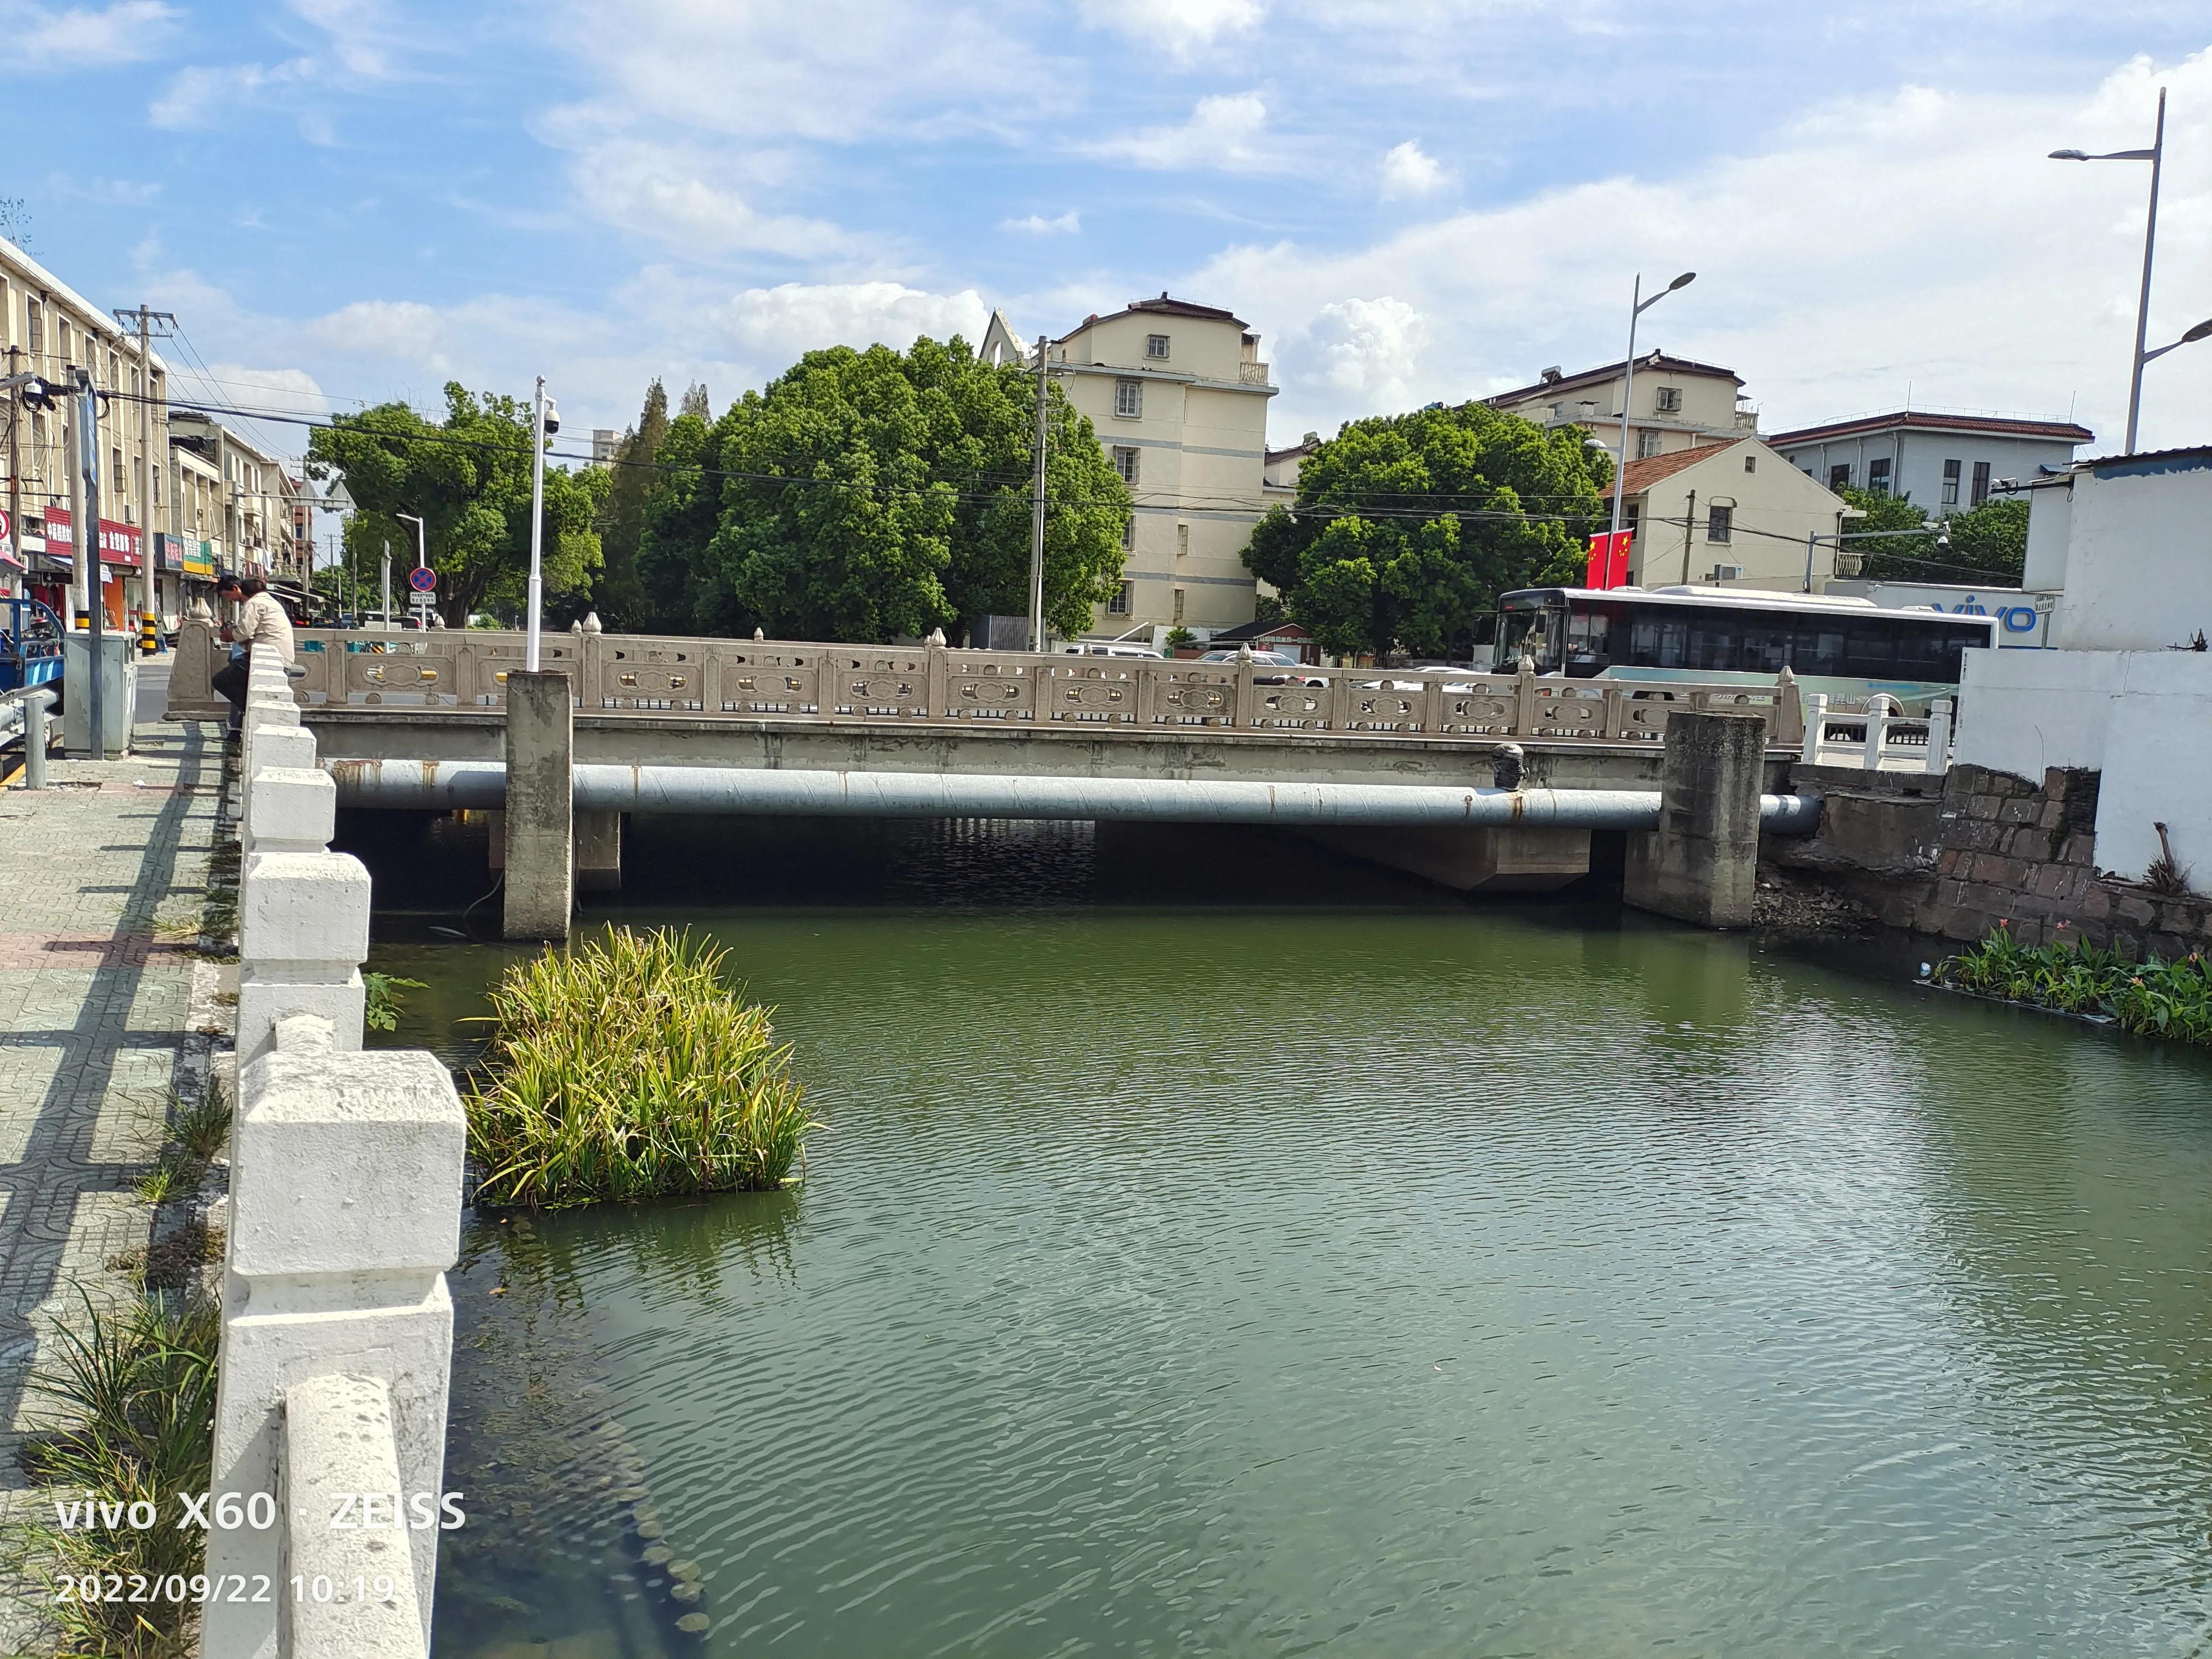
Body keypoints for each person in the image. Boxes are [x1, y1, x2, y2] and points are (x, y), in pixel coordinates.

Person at [208, 573, 296, 737]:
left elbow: (244, 632)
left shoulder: (253, 603)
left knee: (221, 681)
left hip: (268, 658)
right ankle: (244, 719)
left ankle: (252, 710)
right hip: (279, 658)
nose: (230, 600)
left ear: (236, 589)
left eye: (228, 596)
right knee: (240, 681)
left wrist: (230, 635)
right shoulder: (270, 602)